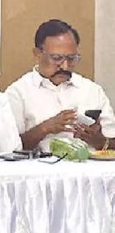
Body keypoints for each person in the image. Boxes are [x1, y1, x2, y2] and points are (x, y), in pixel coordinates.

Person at [6, 19, 115, 151]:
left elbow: (112, 141)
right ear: (37, 54)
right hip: (40, 164)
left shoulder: (92, 91)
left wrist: (99, 141)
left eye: (71, 58)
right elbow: (8, 149)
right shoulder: (18, 93)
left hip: (89, 163)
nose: (65, 66)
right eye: (57, 58)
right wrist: (44, 128)